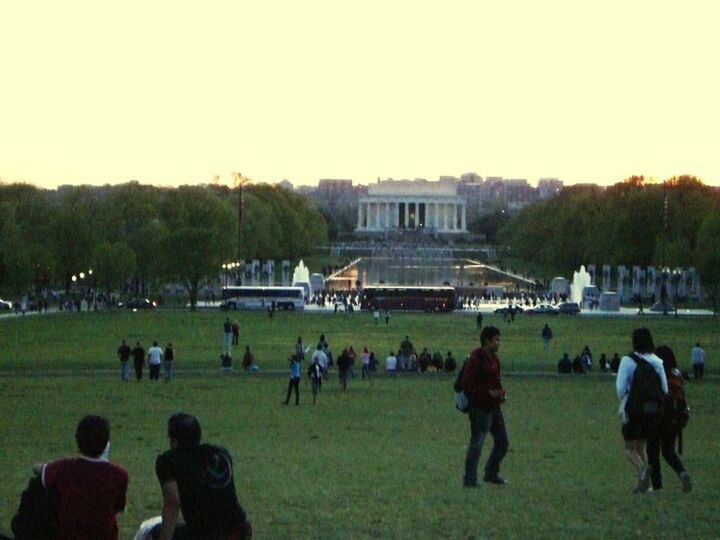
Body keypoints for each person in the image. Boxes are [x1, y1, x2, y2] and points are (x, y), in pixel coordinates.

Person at [153, 413, 251, 539]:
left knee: (154, 532)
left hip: (207, 533)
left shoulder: (169, 461)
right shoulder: (221, 454)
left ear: (174, 441)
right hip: (239, 529)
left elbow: (173, 501)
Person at [33, 415, 128, 539]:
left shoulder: (64, 468)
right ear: (106, 444)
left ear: (78, 441)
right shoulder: (119, 475)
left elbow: (39, 470)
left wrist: (45, 466)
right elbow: (119, 507)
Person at [616, 327, 668, 494]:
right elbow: (664, 389)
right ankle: (644, 485)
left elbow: (620, 388)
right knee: (642, 448)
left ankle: (643, 472)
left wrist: (626, 400)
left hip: (633, 410)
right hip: (652, 412)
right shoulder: (658, 362)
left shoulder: (628, 361)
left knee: (630, 448)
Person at [462, 326, 509, 487]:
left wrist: (500, 394)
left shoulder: (494, 359)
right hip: (479, 408)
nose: (498, 343)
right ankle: (470, 480)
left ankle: (491, 472)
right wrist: (489, 393)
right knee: (477, 444)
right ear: (487, 341)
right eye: (496, 340)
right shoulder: (476, 359)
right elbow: (469, 386)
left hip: (494, 407)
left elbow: (495, 381)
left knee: (502, 442)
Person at [647, 345, 692, 493]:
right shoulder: (677, 373)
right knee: (668, 450)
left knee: (653, 450)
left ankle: (657, 485)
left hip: (659, 415)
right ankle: (682, 472)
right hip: (675, 417)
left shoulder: (659, 372)